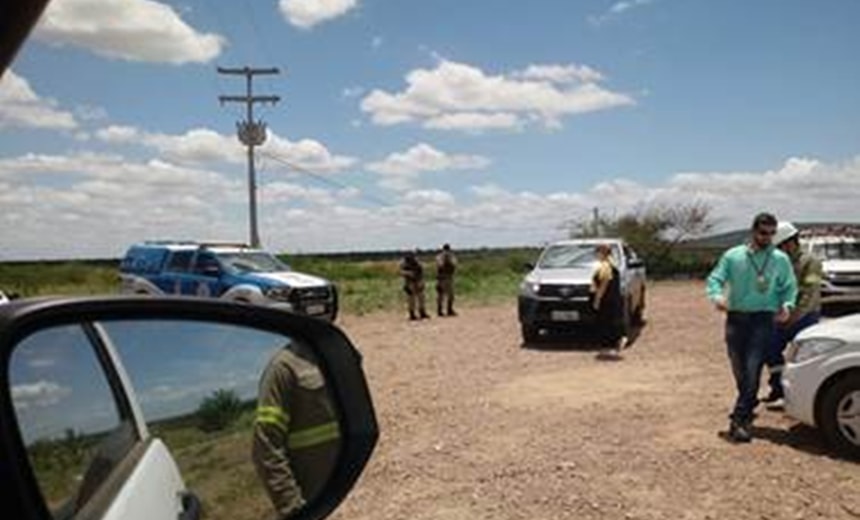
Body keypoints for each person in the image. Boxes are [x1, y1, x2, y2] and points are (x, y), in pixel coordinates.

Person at [706, 212, 798, 443]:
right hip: (736, 319)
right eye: (762, 233)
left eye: (771, 233)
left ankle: (739, 419)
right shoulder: (733, 256)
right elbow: (715, 279)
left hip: (763, 320)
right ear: (753, 231)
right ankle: (748, 399)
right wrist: (717, 297)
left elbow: (789, 287)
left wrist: (787, 305)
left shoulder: (780, 259)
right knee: (740, 369)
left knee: (753, 367)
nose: (767, 237)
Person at [253, 342, 342, 518]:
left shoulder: (340, 354)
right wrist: (295, 510)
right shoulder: (283, 368)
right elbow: (266, 447)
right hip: (314, 503)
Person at [762, 221, 822, 409]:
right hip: (782, 315)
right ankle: (778, 390)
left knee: (805, 357)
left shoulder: (811, 262)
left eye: (780, 246)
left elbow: (810, 291)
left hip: (805, 316)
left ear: (790, 242)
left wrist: (794, 316)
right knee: (770, 349)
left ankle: (803, 397)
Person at [591, 243, 626, 358]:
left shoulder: (605, 266)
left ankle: (609, 348)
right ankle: (615, 344)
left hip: (607, 300)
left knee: (605, 323)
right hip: (613, 299)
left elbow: (604, 284)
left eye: (598, 252)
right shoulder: (612, 264)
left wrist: (597, 299)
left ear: (603, 253)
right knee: (612, 322)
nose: (596, 255)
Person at [400, 250, 430, 320]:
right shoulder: (404, 263)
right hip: (410, 282)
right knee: (411, 300)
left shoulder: (417, 263)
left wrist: (420, 281)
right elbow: (402, 272)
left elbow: (421, 272)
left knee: (421, 298)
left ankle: (422, 312)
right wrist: (409, 274)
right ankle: (412, 314)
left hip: (417, 281)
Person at [435, 243, 458, 317]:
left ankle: (449, 309)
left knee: (450, 295)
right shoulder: (439, 257)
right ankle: (439, 310)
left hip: (449, 277)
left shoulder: (452, 256)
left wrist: (449, 259)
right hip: (442, 278)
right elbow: (440, 265)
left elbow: (454, 265)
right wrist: (445, 259)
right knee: (441, 295)